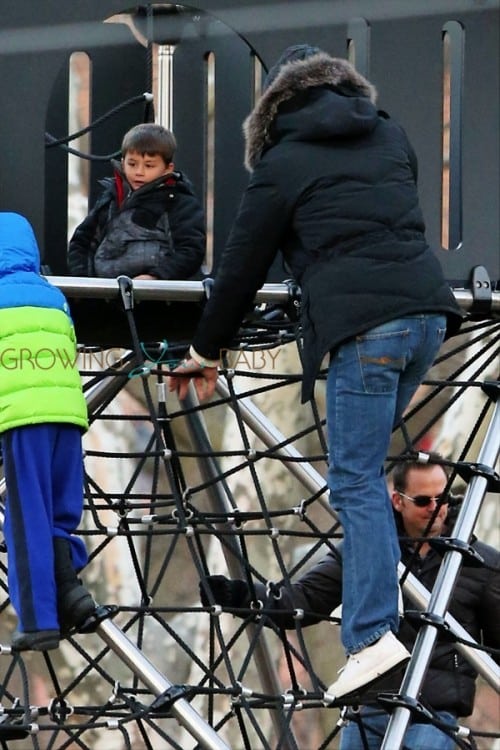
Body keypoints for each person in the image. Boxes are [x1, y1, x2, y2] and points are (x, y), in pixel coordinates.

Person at [168, 43, 464, 698]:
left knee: (355, 481)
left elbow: (244, 263)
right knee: (364, 477)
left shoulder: (283, 160)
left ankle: (368, 637)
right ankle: (373, 599)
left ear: (277, 104)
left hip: (367, 329)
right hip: (428, 319)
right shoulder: (388, 134)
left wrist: (207, 349)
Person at [200, 457, 500, 750]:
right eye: (424, 501)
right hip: (370, 703)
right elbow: (304, 600)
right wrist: (240, 595)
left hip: (435, 710)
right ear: (398, 501)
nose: (437, 509)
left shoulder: (480, 564)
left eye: (443, 497)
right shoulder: (366, 549)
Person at [0, 212, 96, 651]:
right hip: (67, 417)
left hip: (21, 419)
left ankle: (37, 619)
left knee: (26, 520)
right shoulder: (54, 297)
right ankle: (73, 595)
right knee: (60, 515)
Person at [67, 122, 206, 280]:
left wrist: (156, 277)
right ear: (123, 161)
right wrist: (84, 280)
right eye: (132, 164)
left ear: (168, 168)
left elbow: (191, 250)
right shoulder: (110, 198)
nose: (139, 172)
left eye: (149, 165)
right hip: (103, 292)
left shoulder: (179, 202)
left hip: (155, 295)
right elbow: (82, 241)